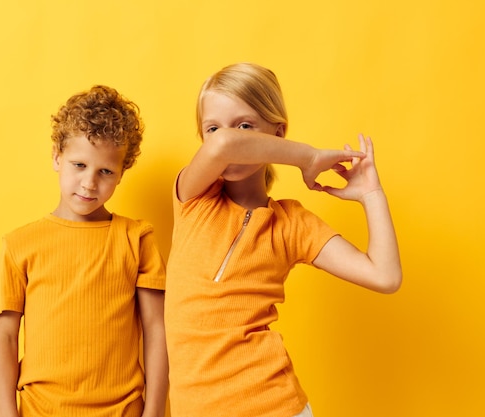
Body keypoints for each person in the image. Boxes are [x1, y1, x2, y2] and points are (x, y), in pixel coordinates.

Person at [164, 63, 402, 417]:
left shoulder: (292, 224)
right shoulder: (192, 197)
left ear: (278, 133)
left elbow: (385, 276)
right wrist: (307, 157)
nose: (225, 136)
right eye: (211, 128)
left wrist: (371, 196)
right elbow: (225, 147)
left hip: (275, 406)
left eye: (246, 125)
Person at [0, 85, 168, 417]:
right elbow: (4, 337)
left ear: (121, 173)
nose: (89, 183)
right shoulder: (19, 244)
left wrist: (154, 412)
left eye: (106, 172)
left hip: (124, 410)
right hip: (42, 411)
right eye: (79, 165)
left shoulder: (137, 238)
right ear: (57, 157)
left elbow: (157, 330)